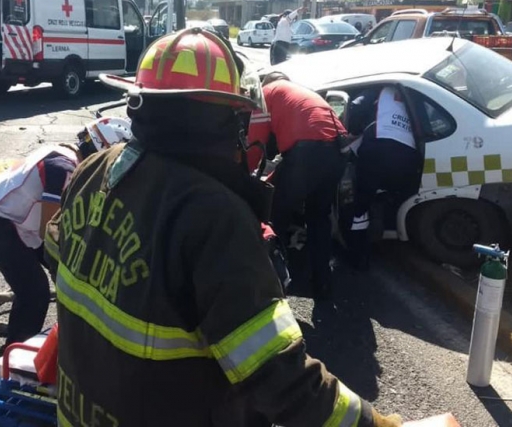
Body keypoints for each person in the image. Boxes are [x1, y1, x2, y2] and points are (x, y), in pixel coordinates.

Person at [44, 28, 402, 427]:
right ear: (225, 119)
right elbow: (280, 377)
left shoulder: (95, 169)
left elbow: (56, 255)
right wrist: (372, 423)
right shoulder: (215, 216)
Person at [0, 117, 132, 358]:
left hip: (10, 222)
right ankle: (11, 359)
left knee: (68, 275)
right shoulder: (64, 169)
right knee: (34, 292)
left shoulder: (61, 153)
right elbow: (50, 231)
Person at [247, 71, 348, 301]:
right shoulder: (304, 93)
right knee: (318, 217)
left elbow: (255, 146)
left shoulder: (265, 94)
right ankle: (322, 283)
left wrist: (244, 176)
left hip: (306, 153)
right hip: (338, 152)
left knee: (274, 217)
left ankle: (273, 285)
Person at [349, 86, 421, 270]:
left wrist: (354, 129)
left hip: (377, 149)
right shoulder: (412, 91)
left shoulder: (377, 88)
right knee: (389, 191)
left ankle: (358, 258)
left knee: (360, 207)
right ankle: (382, 206)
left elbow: (356, 107)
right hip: (409, 156)